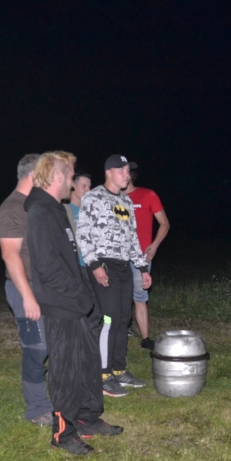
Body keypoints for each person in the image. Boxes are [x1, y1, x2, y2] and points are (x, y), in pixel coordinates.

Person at [24, 151, 122, 456]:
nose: (72, 181)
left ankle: (87, 417)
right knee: (66, 370)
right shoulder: (40, 212)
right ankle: (63, 434)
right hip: (60, 304)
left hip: (75, 304)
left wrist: (83, 294)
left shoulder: (55, 209)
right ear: (57, 177)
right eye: (69, 176)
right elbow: (47, 267)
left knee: (88, 362)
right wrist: (78, 293)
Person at [76, 155, 151, 397]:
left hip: (123, 266)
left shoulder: (126, 201)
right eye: (121, 171)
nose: (127, 175)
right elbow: (83, 234)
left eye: (128, 171)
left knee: (123, 318)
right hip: (104, 265)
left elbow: (133, 238)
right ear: (108, 172)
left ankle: (119, 370)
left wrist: (142, 268)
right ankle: (103, 376)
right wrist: (94, 265)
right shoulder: (93, 197)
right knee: (109, 319)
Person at [0, 154, 55, 426]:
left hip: (45, 286)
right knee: (36, 348)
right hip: (24, 288)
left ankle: (57, 397)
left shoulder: (37, 204)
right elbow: (10, 255)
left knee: (52, 344)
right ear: (34, 174)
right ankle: (37, 409)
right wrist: (28, 298)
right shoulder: (11, 208)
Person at [125, 163, 170, 351]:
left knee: (140, 297)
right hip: (117, 256)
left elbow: (164, 223)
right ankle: (121, 329)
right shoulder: (112, 198)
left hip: (141, 257)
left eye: (125, 171)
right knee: (117, 295)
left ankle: (145, 338)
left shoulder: (148, 195)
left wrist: (154, 245)